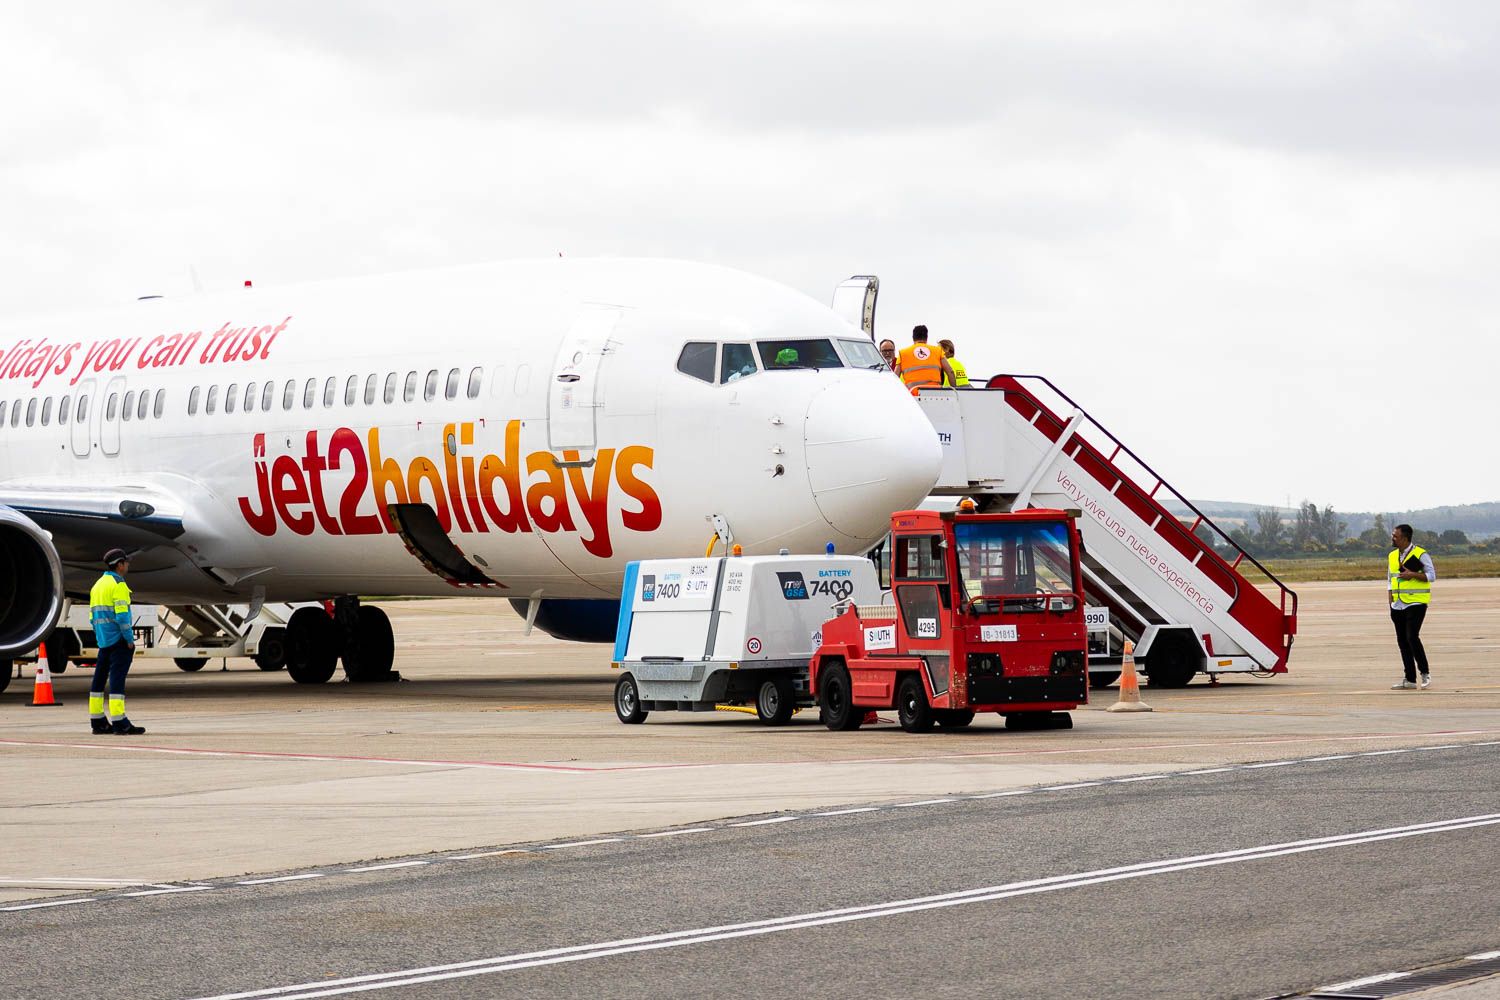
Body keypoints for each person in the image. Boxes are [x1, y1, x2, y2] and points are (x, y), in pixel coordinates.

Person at [89, 548, 145, 734]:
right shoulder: (119, 585)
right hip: (119, 641)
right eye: (126, 562)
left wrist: (101, 637)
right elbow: (122, 618)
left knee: (98, 682)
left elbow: (92, 618)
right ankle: (120, 722)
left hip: (104, 642)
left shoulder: (97, 585)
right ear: (120, 565)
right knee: (117, 681)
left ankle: (97, 721)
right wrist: (129, 639)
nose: (128, 565)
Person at [1387, 523, 1435, 690]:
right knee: (1402, 641)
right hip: (1398, 604)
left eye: (1396, 536)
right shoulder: (1392, 556)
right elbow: (1390, 580)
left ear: (1405, 538)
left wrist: (1413, 574)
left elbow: (1431, 575)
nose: (1393, 538)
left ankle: (1425, 672)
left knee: (1412, 637)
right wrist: (1390, 602)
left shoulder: (1420, 554)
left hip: (1416, 602)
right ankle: (1410, 679)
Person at [896, 325, 956, 393]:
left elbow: (895, 377)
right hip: (935, 394)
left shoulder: (903, 353)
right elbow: (950, 372)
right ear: (926, 337)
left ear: (913, 338)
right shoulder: (937, 351)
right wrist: (955, 391)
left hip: (912, 396)